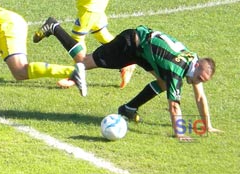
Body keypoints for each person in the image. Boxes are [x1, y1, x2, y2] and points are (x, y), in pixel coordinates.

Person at [33, 17, 222, 141]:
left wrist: (208, 126)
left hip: (144, 51)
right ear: (197, 66)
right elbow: (174, 105)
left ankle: (128, 109)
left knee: (163, 83)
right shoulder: (178, 69)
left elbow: (199, 97)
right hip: (131, 44)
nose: (197, 82)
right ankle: (54, 27)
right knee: (84, 61)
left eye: (202, 80)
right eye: (199, 78)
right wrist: (180, 133)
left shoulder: (192, 61)